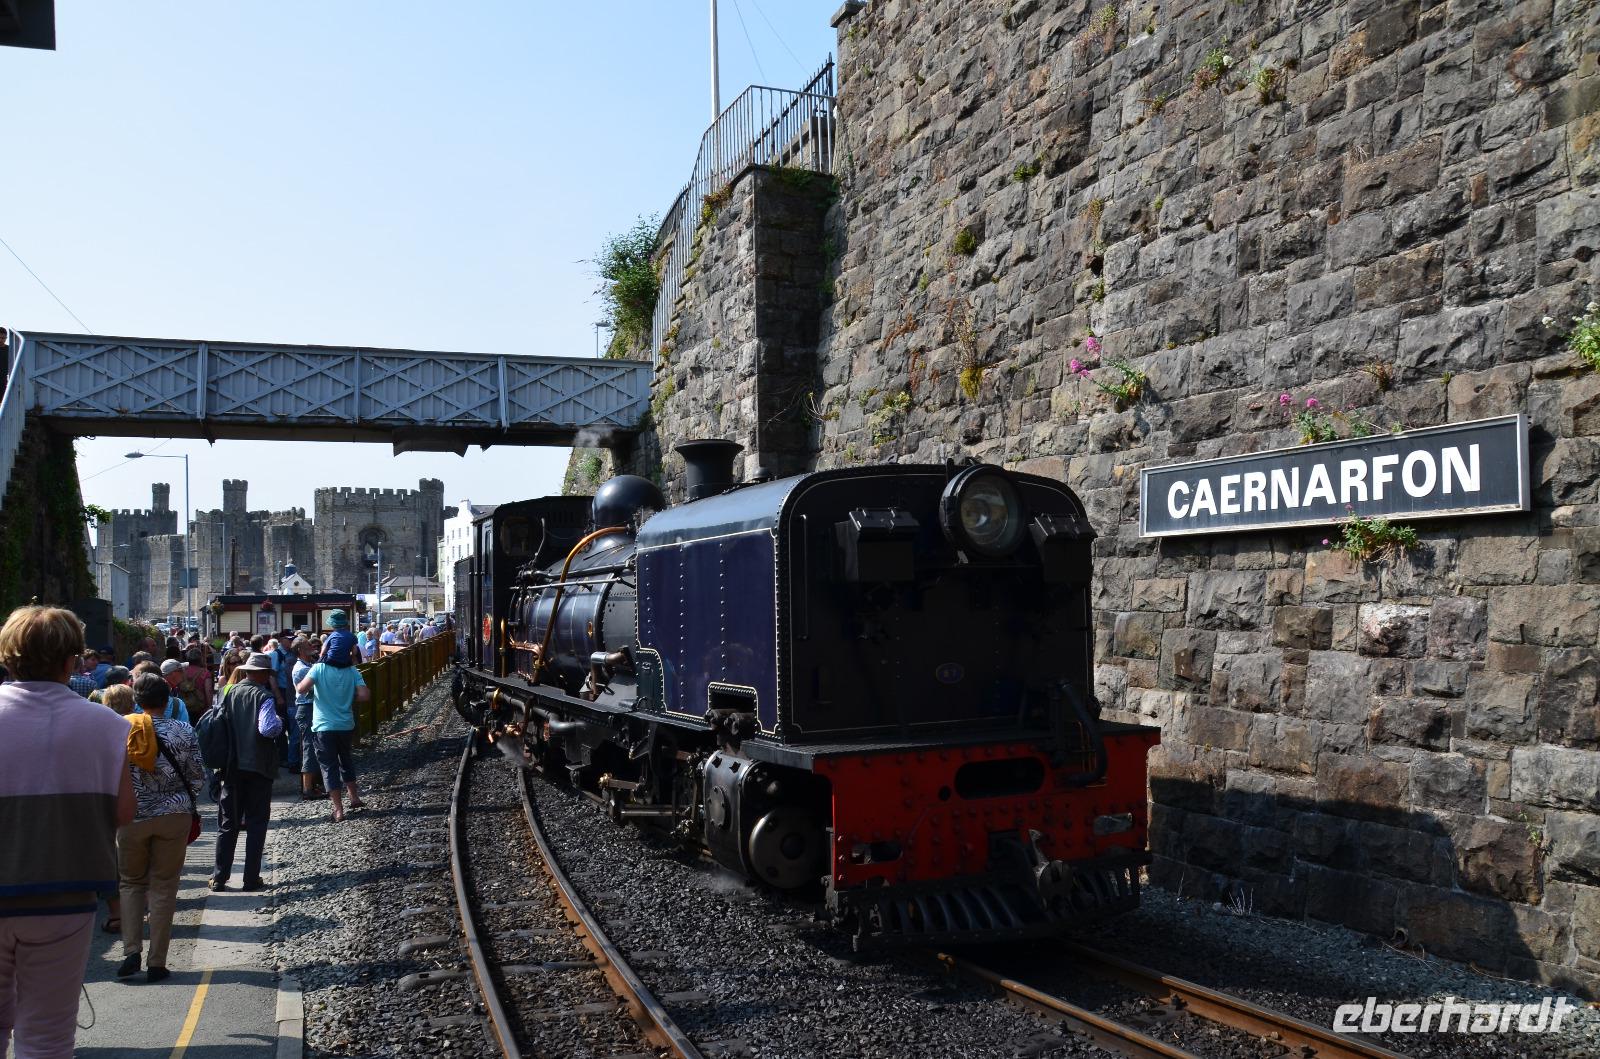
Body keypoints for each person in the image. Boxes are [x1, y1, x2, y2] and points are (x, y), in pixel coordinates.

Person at [0, 605, 135, 1058]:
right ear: (72, 660)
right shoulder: (108, 725)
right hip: (64, 893)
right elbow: (124, 812)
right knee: (48, 1037)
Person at [115, 674, 204, 982]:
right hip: (174, 815)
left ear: (136, 700)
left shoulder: (120, 729)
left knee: (131, 882)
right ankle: (157, 961)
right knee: (164, 885)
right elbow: (197, 775)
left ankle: (131, 950)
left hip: (131, 815)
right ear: (168, 700)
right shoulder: (183, 730)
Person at [209, 653, 281, 891]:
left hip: (231, 766)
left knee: (228, 823)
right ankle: (250, 879)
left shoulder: (226, 692)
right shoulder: (264, 696)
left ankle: (219, 877)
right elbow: (267, 728)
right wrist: (280, 724)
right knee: (256, 823)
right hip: (259, 766)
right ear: (263, 674)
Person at [296, 650, 371, 822]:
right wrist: (347, 695)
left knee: (329, 766)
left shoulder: (318, 668)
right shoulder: (352, 670)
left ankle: (338, 810)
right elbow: (364, 695)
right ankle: (354, 797)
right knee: (346, 759)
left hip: (324, 726)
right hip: (345, 725)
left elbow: (301, 689)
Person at [291, 638, 324, 801]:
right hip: (306, 708)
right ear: (300, 650)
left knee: (312, 745)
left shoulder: (306, 666)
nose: (311, 647)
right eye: (307, 645)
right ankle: (307, 788)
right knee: (309, 746)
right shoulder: (302, 669)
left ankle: (312, 785)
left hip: (309, 708)